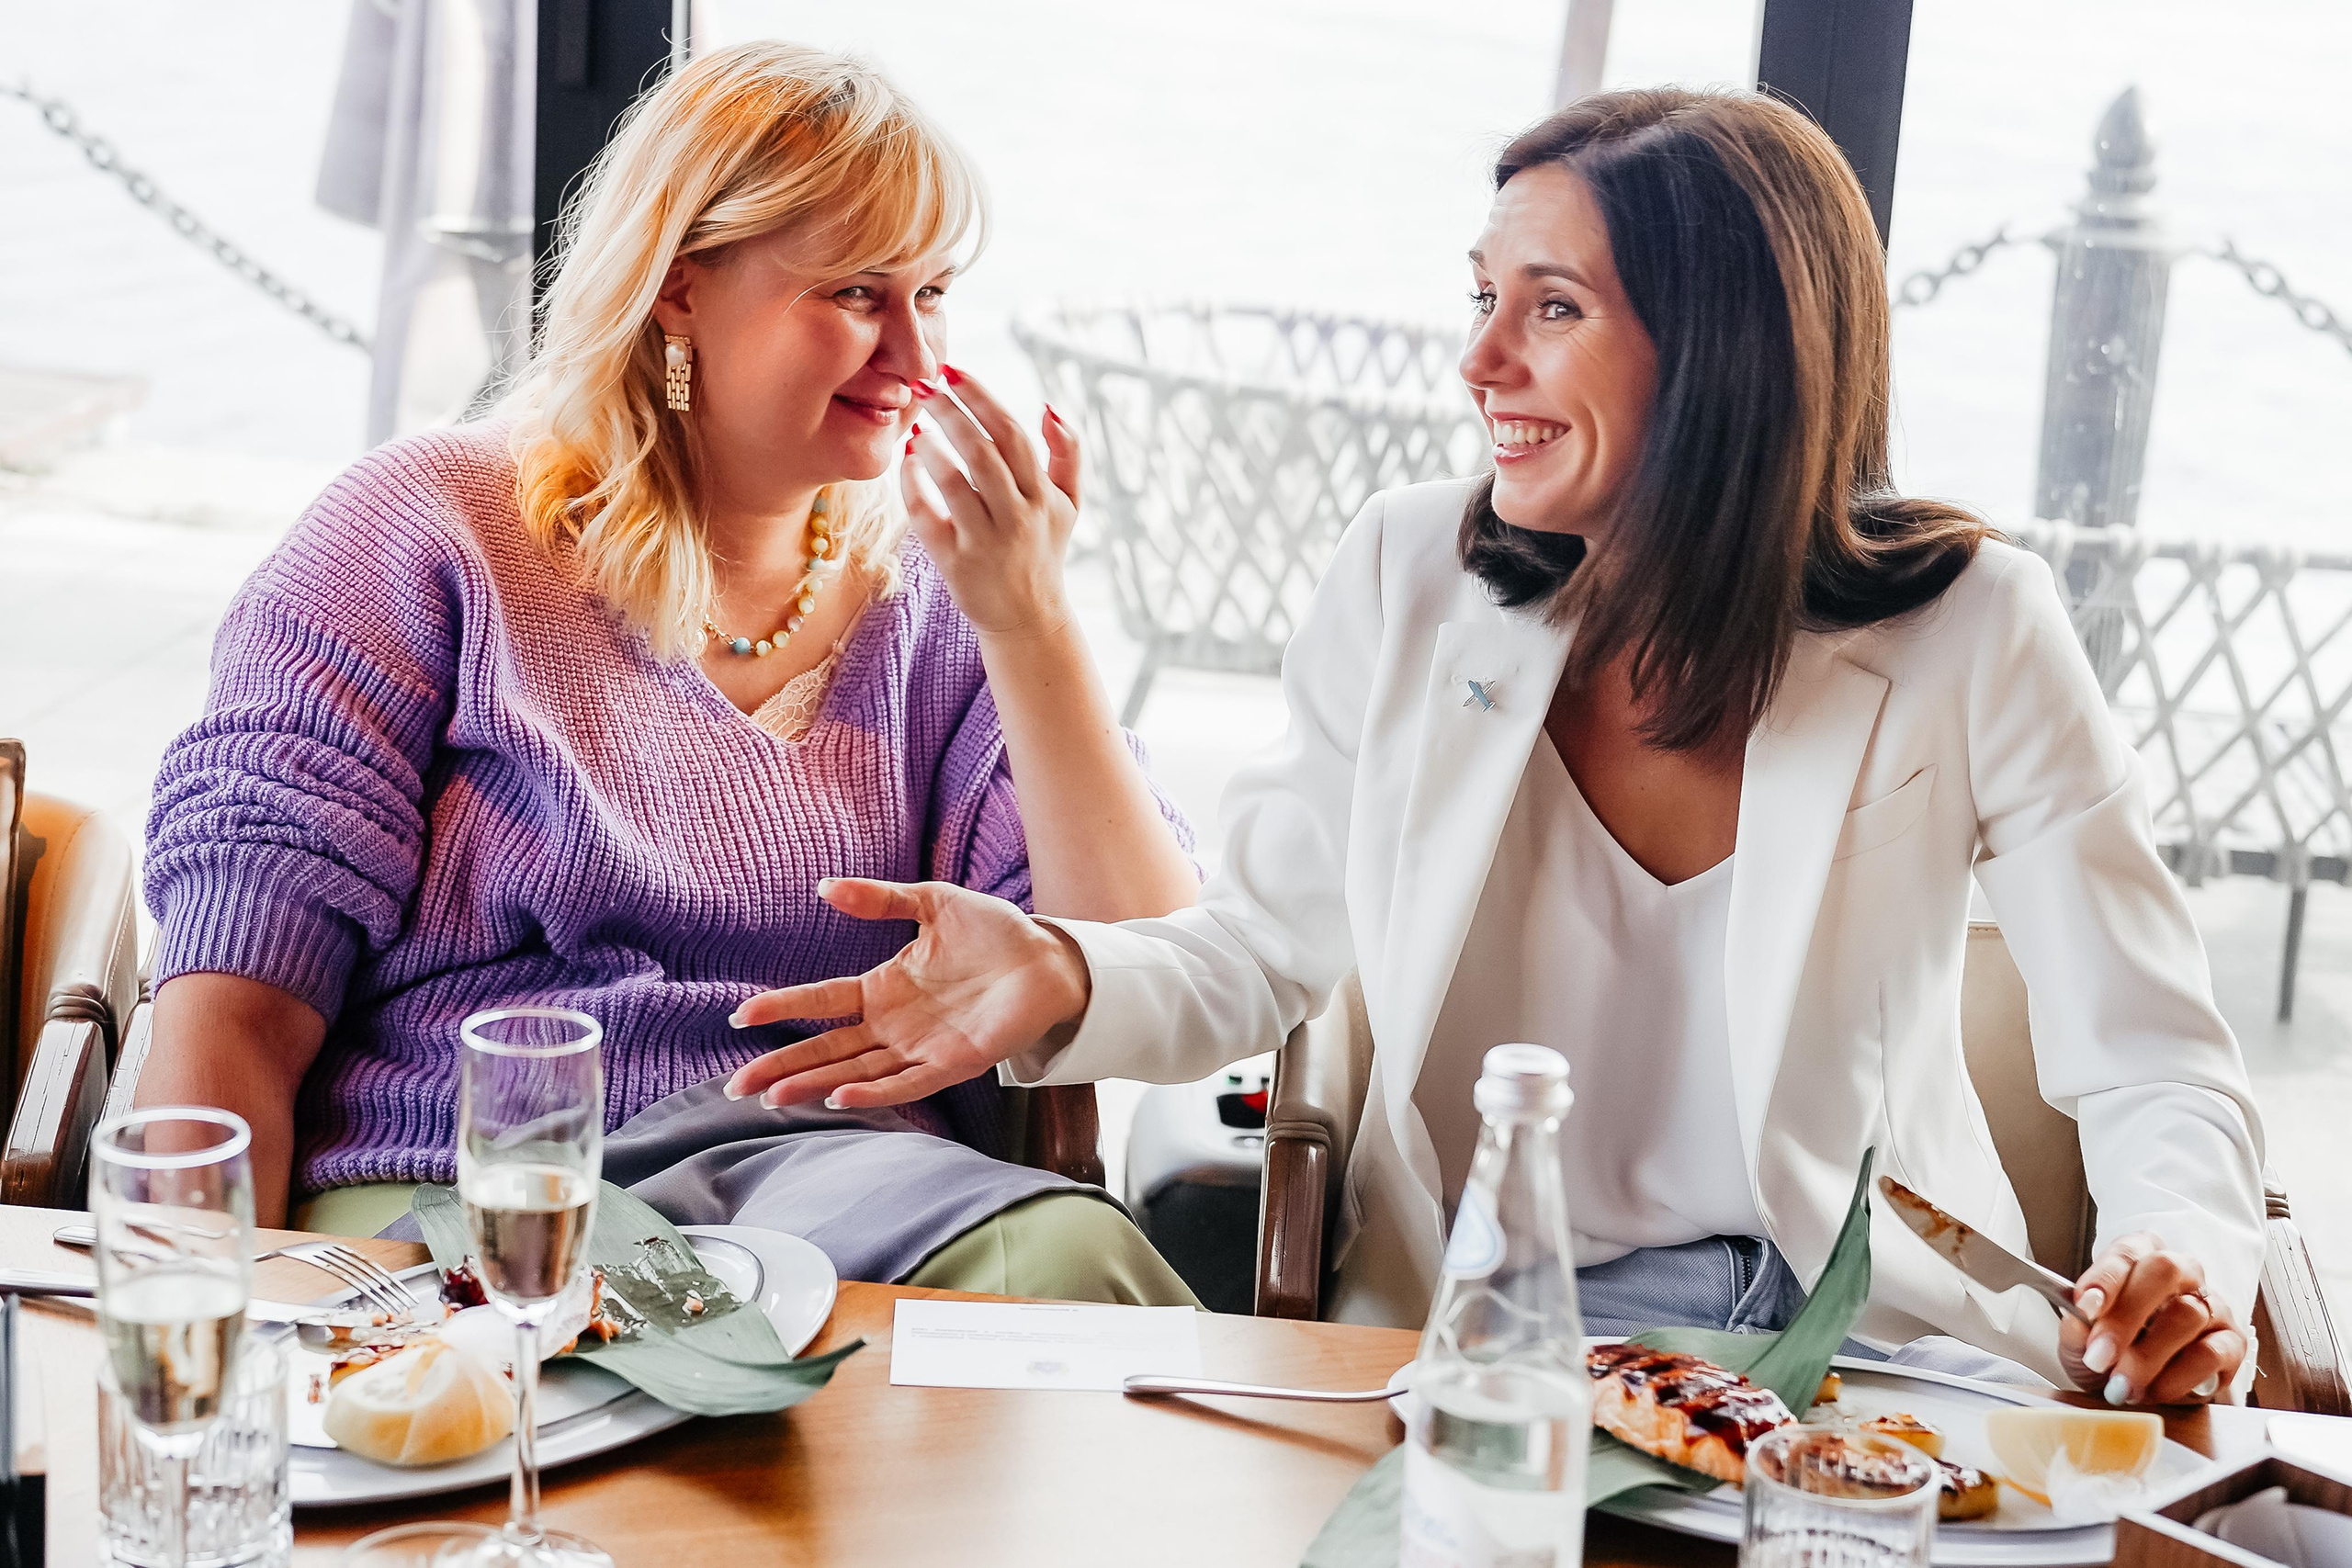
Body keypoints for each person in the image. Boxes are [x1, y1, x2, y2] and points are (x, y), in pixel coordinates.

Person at [723, 88, 2267, 1400]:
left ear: (1730, 349)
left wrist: (2175, 1267)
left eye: (1554, 309)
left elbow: (2154, 1066)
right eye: (1484, 297)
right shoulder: (1409, 576)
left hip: (1873, 1356)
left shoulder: (1974, 625)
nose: (1480, 365)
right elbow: (1264, 950)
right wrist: (1067, 973)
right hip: (1501, 1351)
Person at [140, 42, 1202, 1304]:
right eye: (860, 293)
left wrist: (1032, 624)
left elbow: (1149, 974)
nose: (918, 356)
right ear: (680, 287)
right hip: (473, 1178)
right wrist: (217, 1342)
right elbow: (235, 1006)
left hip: (845, 1188)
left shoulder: (947, 602)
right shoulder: (423, 535)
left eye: (936, 292)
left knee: (1077, 1266)